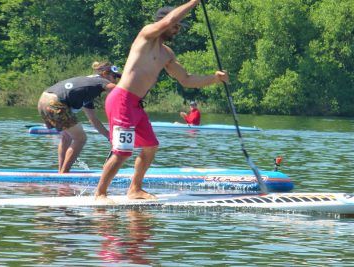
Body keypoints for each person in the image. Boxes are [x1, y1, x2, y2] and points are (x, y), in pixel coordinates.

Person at [95, 0, 229, 202]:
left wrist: (215, 78)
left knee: (150, 146)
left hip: (136, 105)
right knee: (123, 151)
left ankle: (135, 189)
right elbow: (172, 18)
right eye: (175, 26)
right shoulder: (146, 35)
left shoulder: (167, 54)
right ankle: (100, 194)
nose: (177, 30)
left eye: (178, 28)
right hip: (121, 99)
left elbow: (187, 80)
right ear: (164, 22)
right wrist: (194, 2)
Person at [37, 61, 121, 173]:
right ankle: (64, 174)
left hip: (43, 99)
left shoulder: (88, 89)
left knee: (67, 137)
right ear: (105, 73)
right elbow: (120, 91)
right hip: (55, 102)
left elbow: (94, 120)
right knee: (80, 138)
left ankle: (60, 172)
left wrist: (109, 137)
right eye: (114, 77)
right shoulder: (100, 81)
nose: (115, 80)